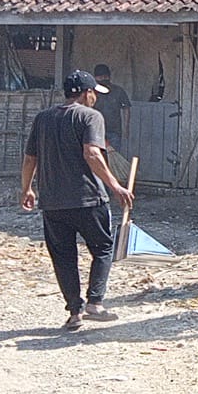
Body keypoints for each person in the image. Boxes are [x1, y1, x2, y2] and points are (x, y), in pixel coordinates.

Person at [20, 69, 135, 331]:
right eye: (94, 93)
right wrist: (116, 186)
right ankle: (95, 302)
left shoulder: (43, 118)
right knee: (104, 248)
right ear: (87, 93)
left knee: (63, 257)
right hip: (88, 199)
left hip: (52, 202)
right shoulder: (90, 117)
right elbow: (92, 154)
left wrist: (26, 188)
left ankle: (74, 312)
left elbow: (30, 159)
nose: (95, 98)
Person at [91, 64, 132, 153]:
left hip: (114, 131)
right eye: (100, 77)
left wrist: (126, 127)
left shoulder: (118, 91)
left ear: (109, 76)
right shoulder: (91, 92)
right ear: (95, 78)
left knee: (113, 158)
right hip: (95, 130)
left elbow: (126, 108)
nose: (103, 78)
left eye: (105, 76)